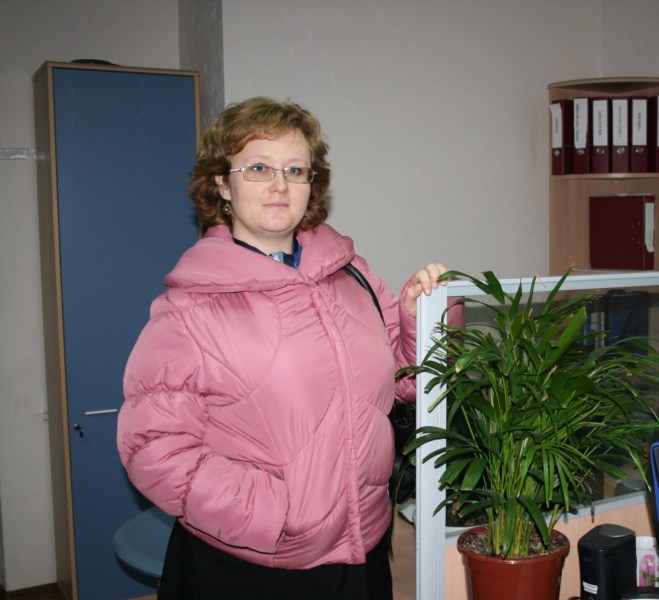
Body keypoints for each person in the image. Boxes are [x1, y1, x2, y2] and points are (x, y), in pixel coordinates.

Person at [117, 96, 462, 600]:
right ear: (222, 183)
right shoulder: (188, 309)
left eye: (295, 170)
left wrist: (425, 316)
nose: (279, 184)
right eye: (259, 168)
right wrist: (271, 514)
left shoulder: (352, 275)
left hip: (364, 553)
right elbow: (153, 448)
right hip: (253, 568)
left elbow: (406, 384)